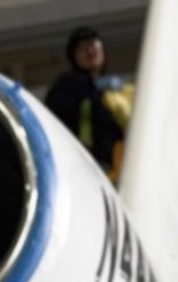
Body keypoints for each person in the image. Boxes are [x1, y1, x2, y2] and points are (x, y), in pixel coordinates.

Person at [45, 27, 126, 177]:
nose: (90, 51)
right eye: (82, 48)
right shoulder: (68, 85)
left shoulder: (115, 89)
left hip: (117, 165)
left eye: (94, 45)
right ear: (74, 57)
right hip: (85, 163)